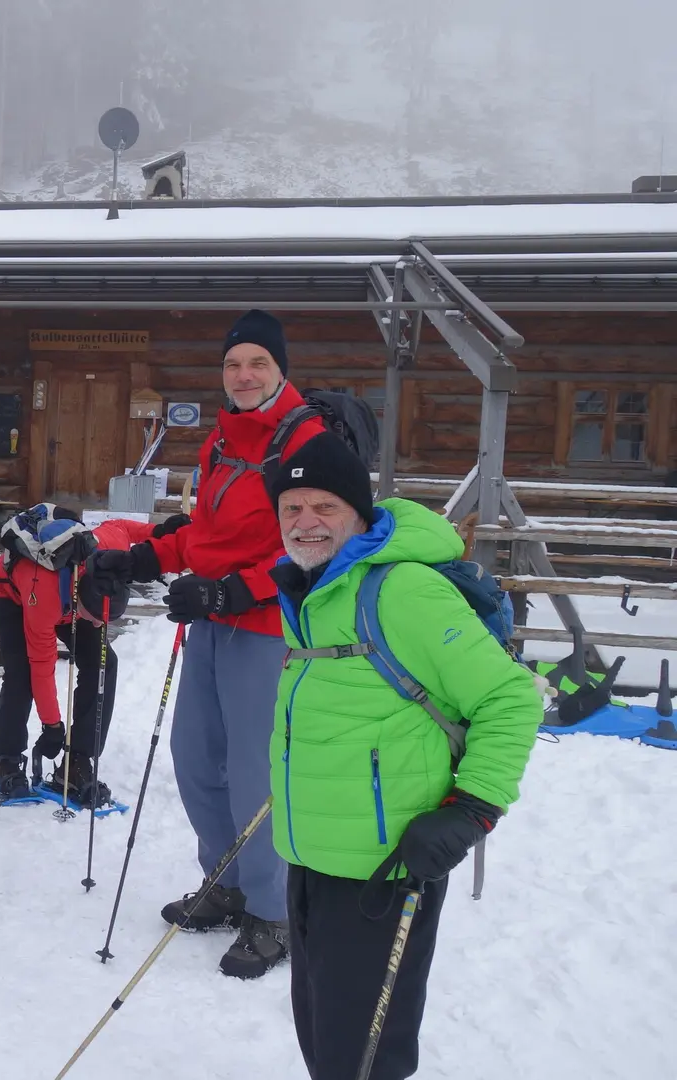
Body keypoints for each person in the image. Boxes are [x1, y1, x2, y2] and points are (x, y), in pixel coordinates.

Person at [265, 433, 538, 1080]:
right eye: (292, 508)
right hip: (312, 858)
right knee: (327, 1047)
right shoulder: (311, 591)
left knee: (365, 1060)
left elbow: (511, 698)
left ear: (359, 512)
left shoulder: (402, 591)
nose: (306, 523)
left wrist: (472, 811)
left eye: (324, 507)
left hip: (386, 869)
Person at [82, 309, 328, 979]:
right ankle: (226, 881)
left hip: (269, 628)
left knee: (256, 771)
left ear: (281, 370)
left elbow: (313, 546)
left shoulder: (305, 441)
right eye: (233, 364)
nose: (243, 375)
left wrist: (232, 592)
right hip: (214, 624)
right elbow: (206, 535)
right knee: (196, 757)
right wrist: (142, 558)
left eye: (258, 364)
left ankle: (273, 910)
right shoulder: (223, 442)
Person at [0, 505, 168, 804]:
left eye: (105, 621)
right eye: (95, 618)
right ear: (79, 597)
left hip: (71, 601)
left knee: (104, 663)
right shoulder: (44, 597)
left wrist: (159, 531)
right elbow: (42, 666)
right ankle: (7, 756)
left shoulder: (106, 552)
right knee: (22, 674)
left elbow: (121, 526)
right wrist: (52, 726)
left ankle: (78, 759)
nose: (98, 624)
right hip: (13, 595)